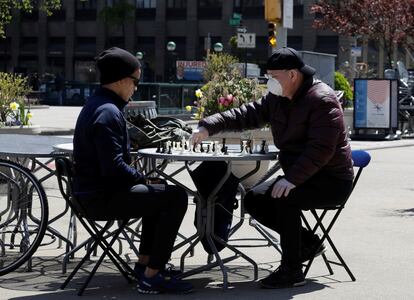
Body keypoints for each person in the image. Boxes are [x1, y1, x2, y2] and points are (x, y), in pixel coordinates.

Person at [191, 47, 354, 289]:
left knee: (284, 197)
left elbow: (321, 149)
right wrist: (207, 126)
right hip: (300, 175)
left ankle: (291, 270)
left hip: (330, 179)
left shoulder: (321, 99)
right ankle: (307, 243)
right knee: (254, 198)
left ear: (293, 75)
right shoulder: (277, 98)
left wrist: (292, 179)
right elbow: (245, 114)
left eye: (274, 76)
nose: (270, 82)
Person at [73, 47, 193, 295]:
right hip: (100, 199)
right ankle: (152, 276)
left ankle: (146, 264)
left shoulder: (99, 105)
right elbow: (113, 167)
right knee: (176, 197)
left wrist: (147, 182)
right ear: (119, 80)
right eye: (135, 81)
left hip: (93, 194)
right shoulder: (107, 113)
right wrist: (143, 177)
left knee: (157, 193)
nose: (136, 87)